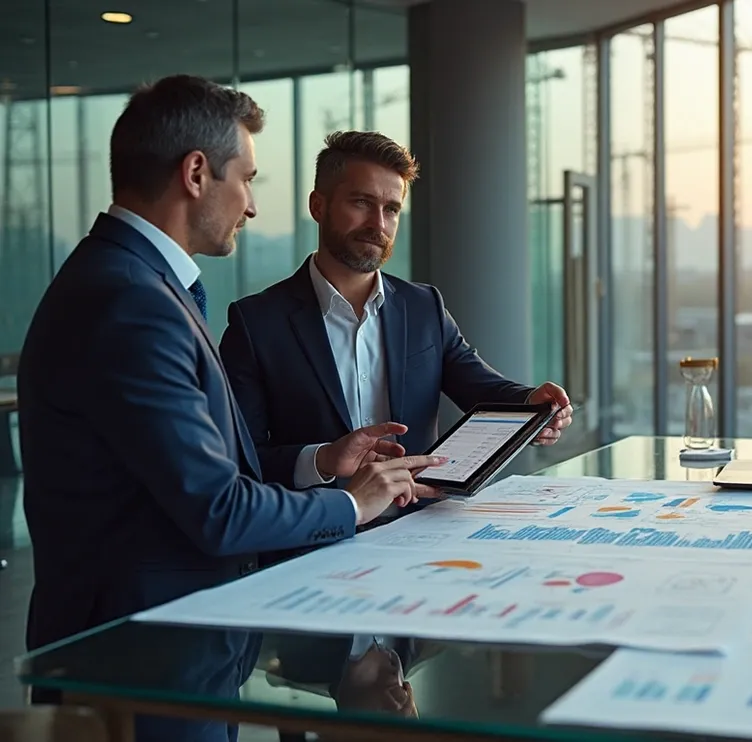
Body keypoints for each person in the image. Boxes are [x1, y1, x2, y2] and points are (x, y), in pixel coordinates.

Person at [17, 75, 443, 742]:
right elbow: (217, 509)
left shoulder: (136, 285)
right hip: (146, 666)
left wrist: (325, 462)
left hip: (160, 656)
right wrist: (353, 503)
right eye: (245, 178)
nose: (249, 206)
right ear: (195, 173)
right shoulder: (132, 303)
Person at [218, 130, 572, 509]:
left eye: (391, 209)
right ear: (318, 206)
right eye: (361, 202)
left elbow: (483, 387)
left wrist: (532, 405)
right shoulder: (256, 323)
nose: (379, 224)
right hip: (317, 534)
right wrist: (323, 459)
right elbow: (242, 459)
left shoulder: (424, 306)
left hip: (419, 526)